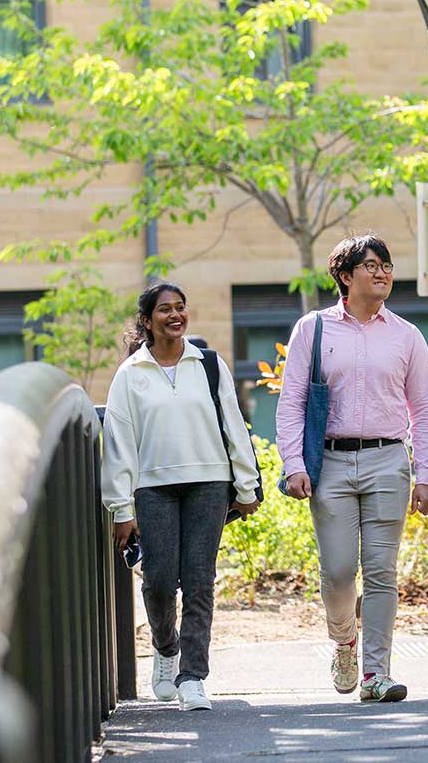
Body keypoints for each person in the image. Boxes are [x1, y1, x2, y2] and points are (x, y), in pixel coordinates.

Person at [276, 234, 428, 703]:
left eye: (387, 264)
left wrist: (424, 474)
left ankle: (375, 673)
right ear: (346, 277)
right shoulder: (314, 329)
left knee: (382, 571)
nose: (383, 272)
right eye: (371, 265)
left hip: (388, 459)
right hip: (329, 462)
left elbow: (424, 411)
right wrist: (293, 464)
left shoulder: (407, 335)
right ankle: (345, 642)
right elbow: (293, 403)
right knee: (339, 571)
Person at [101, 283, 263, 712]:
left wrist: (246, 486)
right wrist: (121, 508)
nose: (175, 315)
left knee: (198, 582)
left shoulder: (208, 364)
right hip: (153, 488)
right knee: (156, 583)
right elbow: (118, 444)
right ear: (148, 321)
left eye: (180, 307)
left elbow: (233, 425)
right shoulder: (130, 374)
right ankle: (165, 647)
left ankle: (193, 678)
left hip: (208, 485)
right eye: (165, 310)